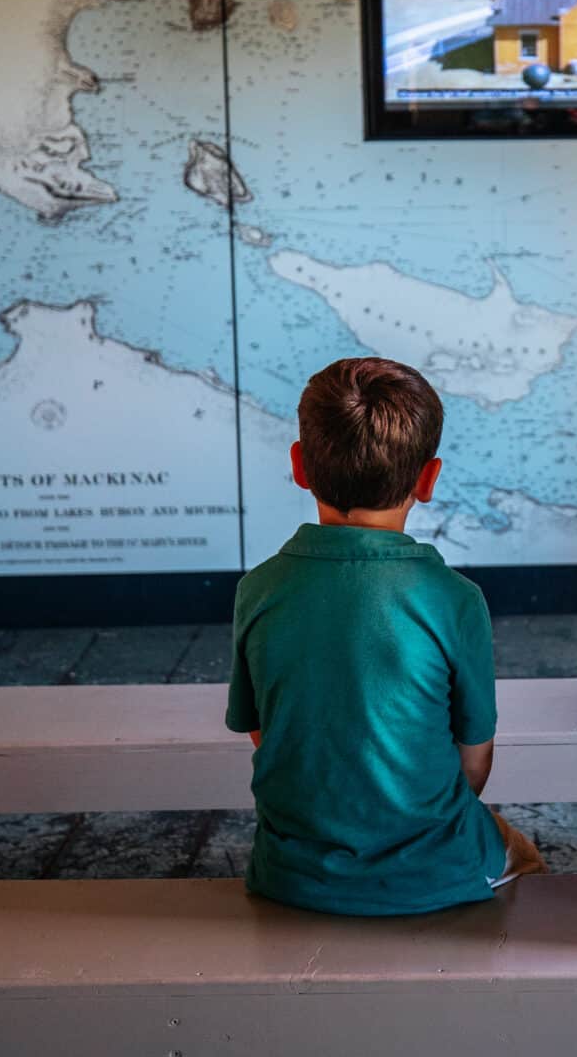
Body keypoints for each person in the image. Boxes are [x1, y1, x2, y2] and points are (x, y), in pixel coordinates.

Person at [227, 356, 543, 915]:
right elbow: (475, 762)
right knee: (526, 855)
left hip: (291, 873)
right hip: (433, 865)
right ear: (428, 479)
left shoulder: (258, 589)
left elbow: (262, 730)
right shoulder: (454, 599)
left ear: (300, 466)